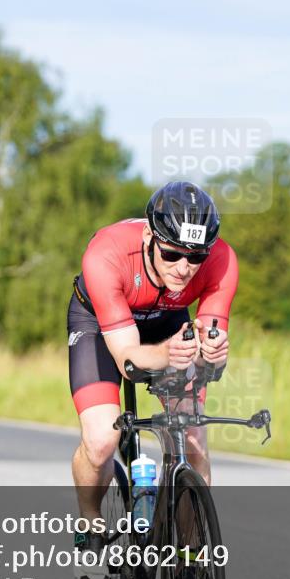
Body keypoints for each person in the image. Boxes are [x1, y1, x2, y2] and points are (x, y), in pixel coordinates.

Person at [68, 181, 238, 551]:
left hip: (168, 319)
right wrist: (169, 355)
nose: (183, 268)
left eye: (196, 258)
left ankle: (190, 555)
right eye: (173, 254)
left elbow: (210, 342)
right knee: (101, 441)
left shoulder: (222, 260)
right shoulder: (106, 255)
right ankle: (89, 520)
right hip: (99, 323)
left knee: (194, 440)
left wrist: (215, 353)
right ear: (150, 235)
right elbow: (128, 360)